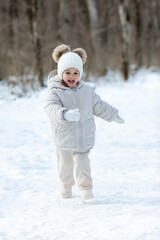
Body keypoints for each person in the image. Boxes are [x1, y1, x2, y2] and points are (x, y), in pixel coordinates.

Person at [44, 44, 125, 203]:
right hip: (64, 136)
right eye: (67, 72)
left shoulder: (87, 91)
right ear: (61, 73)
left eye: (75, 72)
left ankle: (86, 189)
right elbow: (50, 108)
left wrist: (113, 115)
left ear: (80, 73)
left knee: (83, 164)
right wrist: (65, 114)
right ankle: (66, 186)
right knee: (65, 166)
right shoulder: (54, 91)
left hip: (82, 135)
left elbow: (99, 106)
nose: (71, 76)